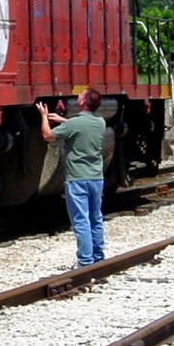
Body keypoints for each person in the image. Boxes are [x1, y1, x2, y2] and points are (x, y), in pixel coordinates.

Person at [37, 89, 107, 268]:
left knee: (81, 220)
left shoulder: (75, 124)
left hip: (77, 179)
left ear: (83, 101)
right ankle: (98, 257)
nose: (77, 96)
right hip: (96, 178)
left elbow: (47, 135)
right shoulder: (100, 122)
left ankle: (85, 261)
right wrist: (64, 121)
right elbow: (82, 127)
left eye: (80, 95)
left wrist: (44, 117)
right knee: (95, 218)